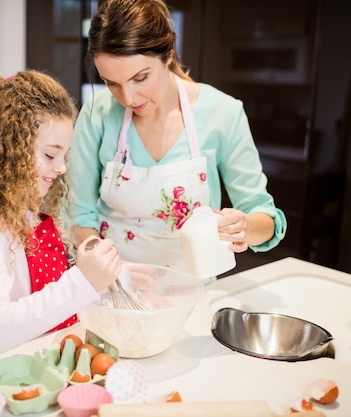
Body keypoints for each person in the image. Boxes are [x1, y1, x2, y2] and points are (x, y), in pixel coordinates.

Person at [68, 0, 287, 279]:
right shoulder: (96, 114)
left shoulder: (223, 113)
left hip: (190, 291)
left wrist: (243, 226)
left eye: (141, 77)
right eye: (112, 83)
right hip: (114, 288)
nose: (128, 98)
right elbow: (77, 215)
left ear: (169, 54)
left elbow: (265, 217)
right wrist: (114, 272)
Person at [0, 70, 121, 359]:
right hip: (17, 372)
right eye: (51, 155)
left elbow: (49, 294)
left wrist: (110, 274)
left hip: (46, 359)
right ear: (10, 149)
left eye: (64, 155)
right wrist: (81, 282)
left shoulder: (25, 210)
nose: (61, 167)